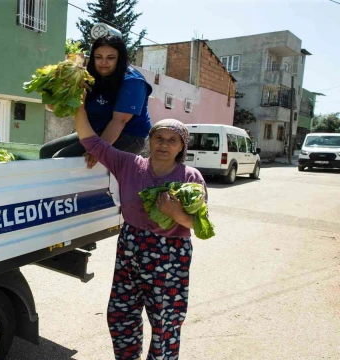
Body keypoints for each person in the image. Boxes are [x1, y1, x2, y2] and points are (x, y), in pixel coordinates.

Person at [75, 95, 209, 359]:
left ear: (182, 146)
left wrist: (175, 213)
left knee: (165, 322)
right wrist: (79, 107)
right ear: (150, 140)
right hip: (130, 247)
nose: (164, 144)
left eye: (173, 140)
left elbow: (202, 228)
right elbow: (92, 141)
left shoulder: (190, 177)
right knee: (120, 314)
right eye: (159, 138)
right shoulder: (129, 165)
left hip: (169, 255)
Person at [40, 34, 153, 168]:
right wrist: (56, 100)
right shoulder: (88, 76)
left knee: (62, 159)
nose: (103, 62)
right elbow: (72, 107)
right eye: (98, 57)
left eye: (110, 58)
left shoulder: (133, 82)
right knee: (46, 151)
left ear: (120, 58)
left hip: (129, 135)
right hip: (95, 131)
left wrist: (99, 150)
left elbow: (119, 121)